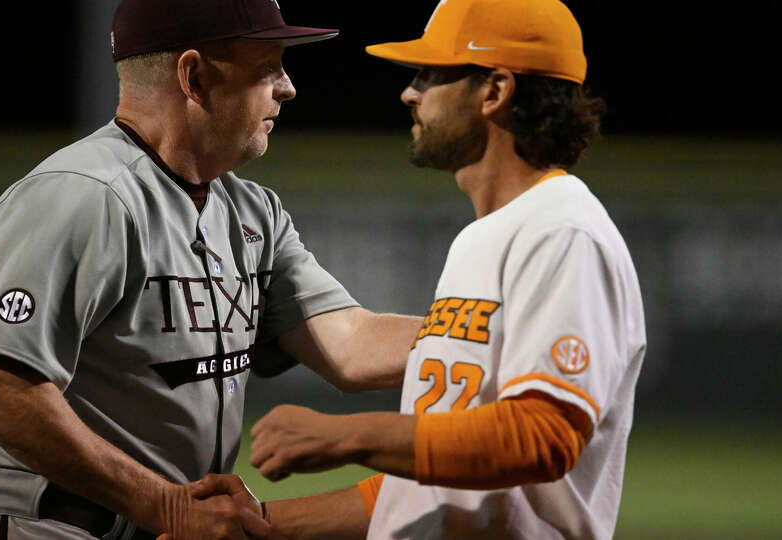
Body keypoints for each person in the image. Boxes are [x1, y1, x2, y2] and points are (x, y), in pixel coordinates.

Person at [0, 0, 421, 539]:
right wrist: (164, 505)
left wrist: (489, 333)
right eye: (268, 66)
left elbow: (351, 344)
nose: (286, 87)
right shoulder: (82, 195)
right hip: (52, 525)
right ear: (194, 77)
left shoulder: (250, 211)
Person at [244, 0, 647, 538]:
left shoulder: (563, 233)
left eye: (432, 74)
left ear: (496, 91)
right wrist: (258, 524)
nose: (411, 92)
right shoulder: (481, 240)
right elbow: (434, 487)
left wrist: (346, 437)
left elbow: (543, 437)